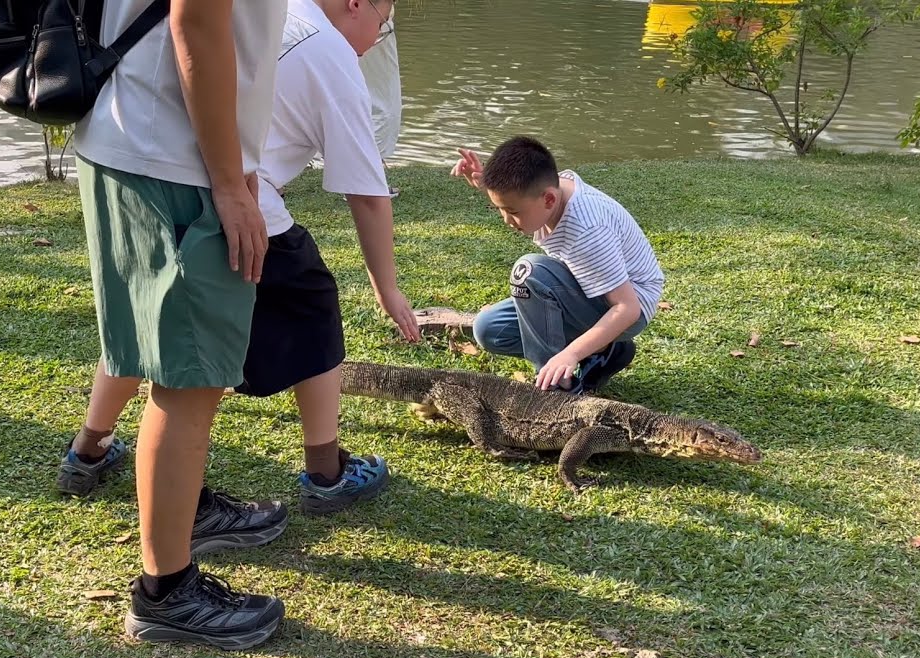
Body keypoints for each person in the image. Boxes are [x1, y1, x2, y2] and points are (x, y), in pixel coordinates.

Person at [62, 0, 289, 651]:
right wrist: (229, 181)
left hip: (149, 139)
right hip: (172, 156)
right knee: (189, 379)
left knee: (175, 362)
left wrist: (239, 165)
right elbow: (195, 23)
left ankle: (184, 515)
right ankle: (165, 592)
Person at [242, 0, 419, 515]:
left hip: (169, 184)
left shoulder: (282, 9)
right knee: (314, 304)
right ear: (355, 4)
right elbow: (368, 193)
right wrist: (387, 289)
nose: (377, 38)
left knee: (156, 323)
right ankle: (327, 474)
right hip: (241, 200)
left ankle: (90, 447)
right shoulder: (330, 52)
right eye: (382, 24)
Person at [450, 136, 665, 393]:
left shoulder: (587, 228)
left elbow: (628, 308)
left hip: (630, 306)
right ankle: (606, 351)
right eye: (500, 209)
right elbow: (524, 192)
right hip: (591, 291)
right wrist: (485, 182)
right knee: (489, 329)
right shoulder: (551, 191)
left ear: (549, 200)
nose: (506, 220)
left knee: (529, 272)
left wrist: (570, 354)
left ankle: (559, 385)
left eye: (513, 212)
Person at [357, 7, 401, 195]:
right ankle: (368, 182)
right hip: (371, 19)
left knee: (366, 97)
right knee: (384, 102)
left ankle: (364, 178)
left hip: (350, 21)